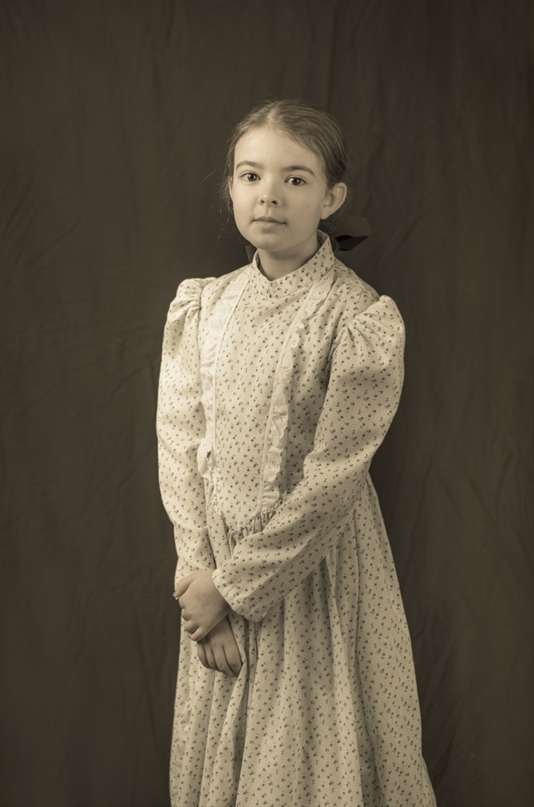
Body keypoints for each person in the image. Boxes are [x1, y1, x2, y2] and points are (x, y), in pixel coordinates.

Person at [157, 98, 436, 807]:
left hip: (313, 577)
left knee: (304, 767)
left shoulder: (359, 319)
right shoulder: (203, 306)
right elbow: (178, 441)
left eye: (295, 179)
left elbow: (333, 479)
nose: (269, 195)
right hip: (214, 574)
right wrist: (199, 582)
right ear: (230, 187)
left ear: (331, 198)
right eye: (251, 175)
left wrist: (235, 589)